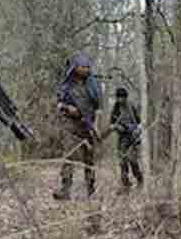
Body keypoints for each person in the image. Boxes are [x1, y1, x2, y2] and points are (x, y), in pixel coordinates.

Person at [54, 53, 101, 199]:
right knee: (69, 155)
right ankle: (65, 189)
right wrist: (68, 108)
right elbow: (59, 104)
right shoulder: (66, 85)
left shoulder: (93, 85)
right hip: (71, 125)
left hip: (88, 125)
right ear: (75, 67)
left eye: (88, 67)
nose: (86, 69)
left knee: (89, 158)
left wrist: (95, 123)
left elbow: (98, 106)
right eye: (83, 67)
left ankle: (91, 189)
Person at [110, 87, 144, 191]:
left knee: (133, 161)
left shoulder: (131, 106)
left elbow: (139, 122)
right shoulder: (115, 108)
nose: (120, 100)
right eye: (119, 97)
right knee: (122, 162)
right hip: (122, 139)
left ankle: (140, 180)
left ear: (126, 98)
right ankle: (126, 185)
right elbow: (111, 124)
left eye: (122, 97)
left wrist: (137, 130)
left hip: (133, 138)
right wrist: (117, 127)